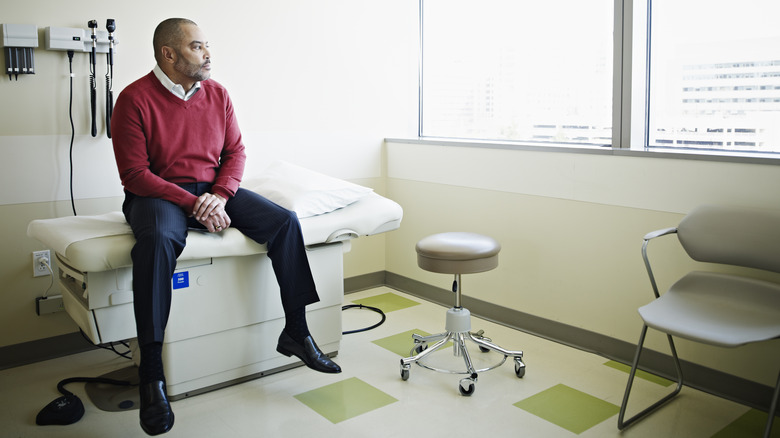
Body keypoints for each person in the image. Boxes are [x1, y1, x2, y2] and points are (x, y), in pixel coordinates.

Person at [110, 18, 341, 436]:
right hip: (156, 195)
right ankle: (152, 371)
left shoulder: (218, 94)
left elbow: (235, 153)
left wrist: (218, 194)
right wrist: (194, 202)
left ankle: (296, 331)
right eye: (198, 47)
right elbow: (134, 174)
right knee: (159, 240)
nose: (208, 54)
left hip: (210, 189)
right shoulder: (133, 98)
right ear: (169, 54)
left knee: (284, 222)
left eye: (206, 46)